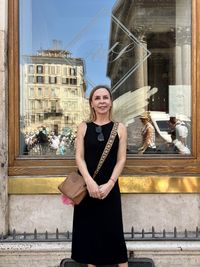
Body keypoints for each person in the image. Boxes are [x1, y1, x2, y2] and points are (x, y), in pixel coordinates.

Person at [71, 85, 128, 267]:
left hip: (109, 189)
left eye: (105, 97)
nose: (102, 101)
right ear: (92, 104)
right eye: (97, 98)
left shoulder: (120, 128)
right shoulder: (83, 127)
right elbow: (79, 157)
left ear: (111, 102)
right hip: (87, 190)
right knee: (90, 239)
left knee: (115, 235)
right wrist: (89, 182)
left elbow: (121, 160)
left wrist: (110, 184)